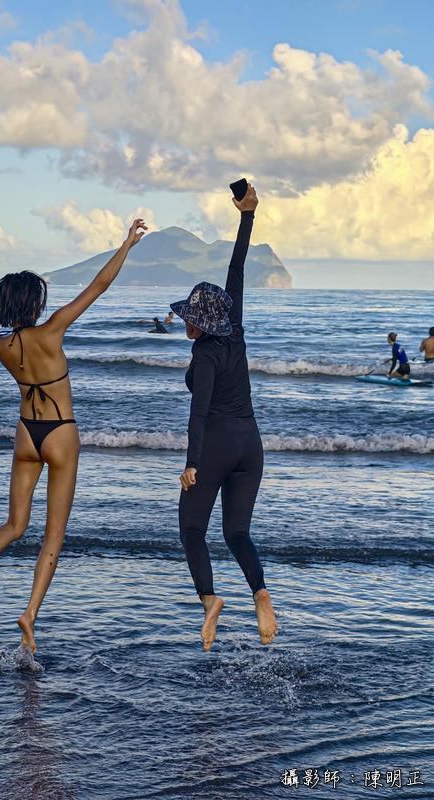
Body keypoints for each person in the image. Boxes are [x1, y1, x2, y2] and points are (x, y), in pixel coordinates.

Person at [0, 218, 148, 652]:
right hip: (60, 434)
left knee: (15, 525)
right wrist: (126, 244)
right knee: (53, 535)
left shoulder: (2, 346)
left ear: (7, 305)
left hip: (26, 435)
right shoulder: (53, 329)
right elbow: (99, 285)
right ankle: (30, 614)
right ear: (35, 305)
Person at [170, 184, 277, 652]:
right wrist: (247, 215)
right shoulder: (236, 331)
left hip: (214, 444)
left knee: (193, 528)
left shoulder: (206, 354)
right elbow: (236, 268)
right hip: (250, 444)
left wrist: (192, 463)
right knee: (237, 532)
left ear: (200, 322)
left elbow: (198, 412)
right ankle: (262, 596)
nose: (185, 321)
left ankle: (210, 600)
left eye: (190, 315)